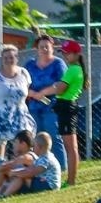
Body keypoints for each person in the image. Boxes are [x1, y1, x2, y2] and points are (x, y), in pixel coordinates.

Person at [23, 34, 67, 170]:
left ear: (52, 47)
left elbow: (62, 85)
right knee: (36, 139)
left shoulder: (58, 64)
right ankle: (39, 167)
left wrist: (42, 93)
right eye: (41, 47)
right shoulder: (29, 65)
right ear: (37, 49)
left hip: (52, 107)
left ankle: (61, 168)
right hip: (33, 107)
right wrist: (33, 94)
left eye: (47, 47)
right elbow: (22, 84)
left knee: (54, 137)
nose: (44, 50)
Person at [0, 44, 35, 148]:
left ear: (17, 58)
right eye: (5, 58)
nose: (9, 60)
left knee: (24, 145)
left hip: (19, 116)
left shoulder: (24, 73)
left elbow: (25, 90)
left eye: (11, 57)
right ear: (2, 59)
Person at [53, 39, 87, 185]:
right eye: (64, 53)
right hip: (65, 107)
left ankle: (72, 180)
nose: (65, 56)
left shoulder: (73, 69)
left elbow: (60, 88)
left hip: (67, 107)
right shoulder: (73, 69)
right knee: (70, 146)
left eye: (68, 53)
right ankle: (71, 179)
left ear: (76, 54)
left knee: (71, 147)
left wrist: (53, 87)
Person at [0, 131, 61, 198]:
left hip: (48, 186)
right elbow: (30, 169)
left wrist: (14, 173)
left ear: (39, 146)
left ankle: (4, 195)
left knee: (22, 177)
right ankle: (2, 194)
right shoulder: (44, 157)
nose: (33, 148)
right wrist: (16, 172)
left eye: (34, 145)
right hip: (46, 184)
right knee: (21, 174)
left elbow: (31, 172)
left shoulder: (45, 159)